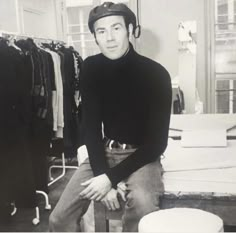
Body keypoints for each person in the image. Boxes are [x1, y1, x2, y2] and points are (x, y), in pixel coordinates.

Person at [49, 2, 172, 232]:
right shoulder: (91, 68)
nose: (110, 38)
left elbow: (157, 144)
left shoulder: (156, 74)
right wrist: (103, 175)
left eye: (116, 28)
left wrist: (109, 179)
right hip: (105, 150)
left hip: (142, 156)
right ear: (95, 37)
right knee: (59, 218)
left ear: (130, 30)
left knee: (143, 205)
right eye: (101, 31)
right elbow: (91, 128)